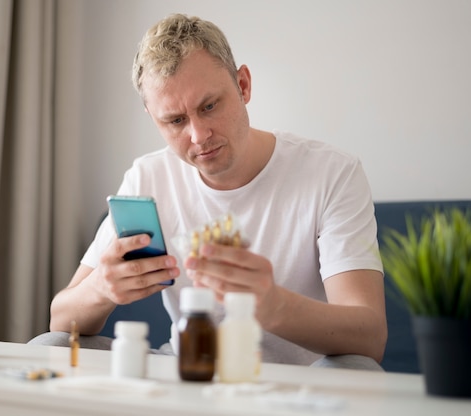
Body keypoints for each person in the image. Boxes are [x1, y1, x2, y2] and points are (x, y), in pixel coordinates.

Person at [45, 13, 387, 369]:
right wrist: (102, 288)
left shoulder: (332, 173)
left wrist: (273, 305)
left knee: (359, 366)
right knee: (50, 344)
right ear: (153, 118)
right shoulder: (148, 178)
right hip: (187, 366)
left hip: (301, 380)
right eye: (175, 120)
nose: (198, 135)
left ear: (243, 85)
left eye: (209, 106)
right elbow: (60, 319)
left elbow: (370, 336)